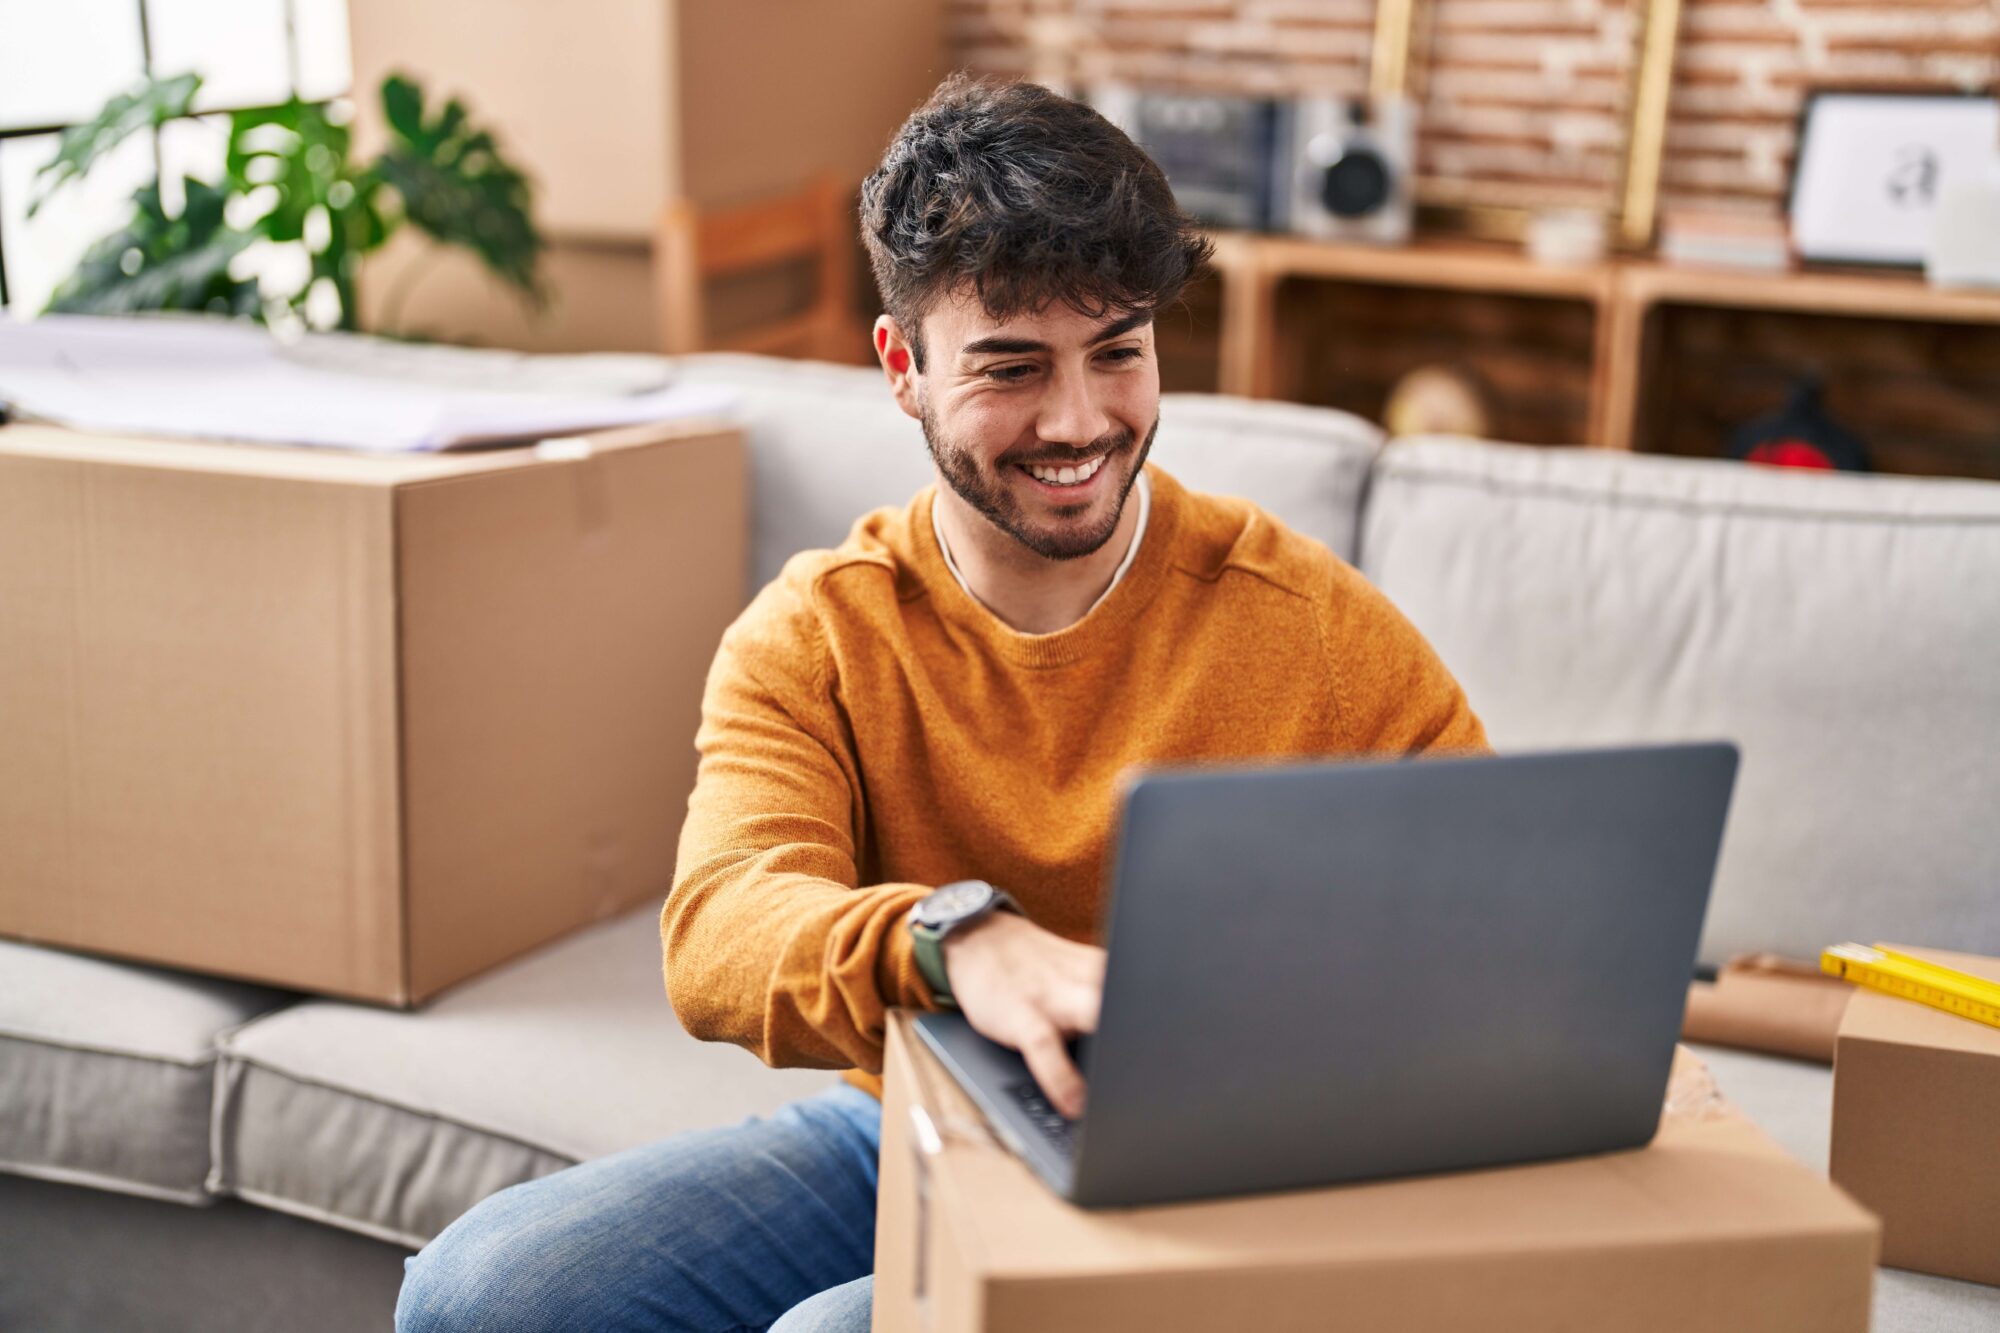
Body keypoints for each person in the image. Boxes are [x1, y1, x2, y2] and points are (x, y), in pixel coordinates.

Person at [395, 73, 1486, 1333]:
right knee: (481, 1293)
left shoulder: (1305, 624)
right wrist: (952, 938)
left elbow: (1494, 916)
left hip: (1229, 1169)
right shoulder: (817, 632)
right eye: (1011, 367)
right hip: (914, 1120)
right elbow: (720, 930)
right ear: (901, 366)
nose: (1078, 421)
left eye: (1116, 353)